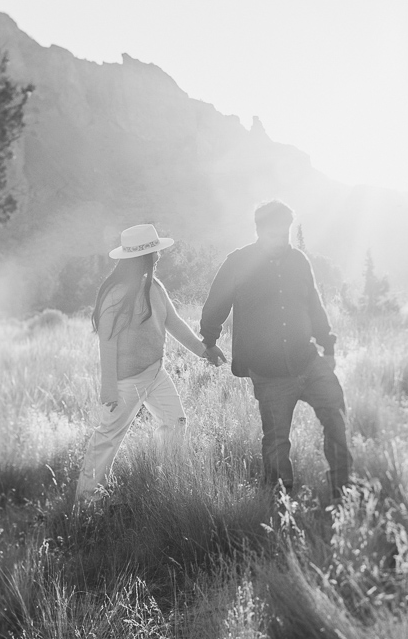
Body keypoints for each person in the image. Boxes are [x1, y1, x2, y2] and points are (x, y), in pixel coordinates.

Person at [200, 200, 351, 501]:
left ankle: (342, 493)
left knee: (336, 418)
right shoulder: (239, 262)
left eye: (285, 235)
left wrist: (328, 345)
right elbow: (216, 302)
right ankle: (281, 503)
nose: (281, 242)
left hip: (308, 361)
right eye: (274, 236)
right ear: (259, 231)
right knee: (276, 442)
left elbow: (314, 305)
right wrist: (209, 340)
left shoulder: (298, 261)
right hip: (269, 373)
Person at [75, 223, 217, 502]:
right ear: (142, 256)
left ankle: (169, 482)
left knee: (175, 423)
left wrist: (203, 351)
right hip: (126, 381)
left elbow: (173, 322)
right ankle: (86, 503)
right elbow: (108, 342)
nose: (159, 256)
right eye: (154, 251)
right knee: (107, 439)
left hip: (156, 374)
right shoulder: (116, 294)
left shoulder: (155, 287)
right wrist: (109, 388)